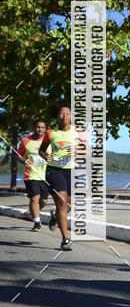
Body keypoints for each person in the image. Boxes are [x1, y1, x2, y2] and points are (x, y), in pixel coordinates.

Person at [39, 105, 76, 250]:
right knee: (62, 203)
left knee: (69, 205)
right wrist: (44, 155)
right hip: (54, 171)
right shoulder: (50, 133)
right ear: (57, 117)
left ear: (71, 116)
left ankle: (55, 215)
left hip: (71, 171)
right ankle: (65, 239)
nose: (64, 116)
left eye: (67, 113)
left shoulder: (78, 133)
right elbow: (41, 150)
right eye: (61, 113)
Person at [16, 119, 49, 231]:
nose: (40, 129)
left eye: (42, 127)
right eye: (38, 127)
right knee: (35, 198)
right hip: (30, 174)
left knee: (43, 201)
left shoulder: (48, 140)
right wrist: (23, 161)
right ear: (34, 128)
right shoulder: (26, 140)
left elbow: (53, 154)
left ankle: (34, 212)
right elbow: (18, 155)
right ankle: (37, 222)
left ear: (45, 129)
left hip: (45, 174)